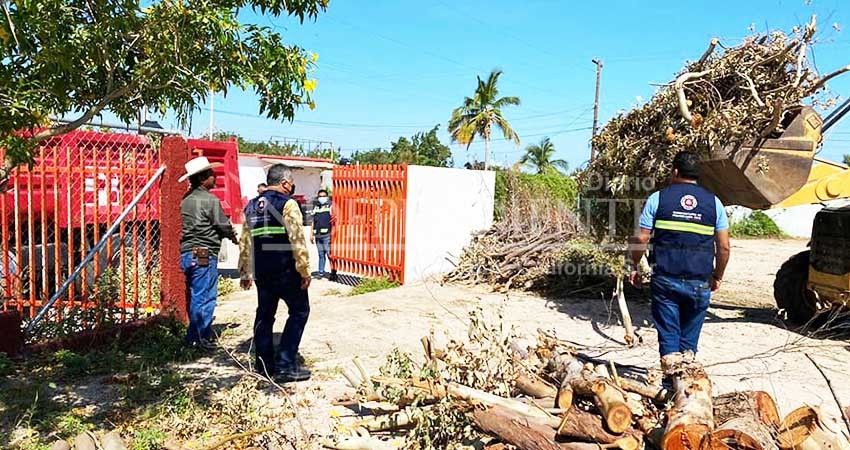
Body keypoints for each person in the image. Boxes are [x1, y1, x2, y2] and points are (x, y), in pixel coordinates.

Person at [629, 151, 731, 373]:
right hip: (700, 282)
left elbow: (641, 238)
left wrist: (635, 266)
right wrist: (717, 276)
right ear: (698, 175)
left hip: (666, 279)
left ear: (675, 171)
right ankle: (685, 388)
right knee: (688, 345)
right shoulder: (715, 204)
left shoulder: (658, 198)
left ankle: (670, 386)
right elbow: (723, 247)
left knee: (669, 337)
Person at [239, 164, 312, 382]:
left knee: (264, 315)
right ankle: (285, 365)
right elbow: (297, 239)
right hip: (286, 271)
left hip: (263, 273)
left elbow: (245, 242)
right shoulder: (288, 204)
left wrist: (245, 272)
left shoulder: (251, 206)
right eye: (290, 183)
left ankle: (263, 366)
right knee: (299, 312)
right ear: (285, 183)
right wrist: (304, 269)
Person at [179, 156, 237, 348]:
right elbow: (223, 225)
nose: (215, 177)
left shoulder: (186, 200)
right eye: (211, 174)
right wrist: (235, 238)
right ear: (203, 178)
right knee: (204, 297)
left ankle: (196, 336)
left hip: (187, 252)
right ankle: (197, 339)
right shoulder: (210, 200)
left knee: (196, 294)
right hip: (204, 252)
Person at [311, 189, 332, 279]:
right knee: (320, 254)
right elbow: (313, 221)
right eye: (320, 196)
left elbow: (334, 220)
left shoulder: (330, 206)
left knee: (329, 254)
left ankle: (333, 272)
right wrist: (311, 234)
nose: (322, 198)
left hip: (327, 234)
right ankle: (320, 272)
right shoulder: (316, 207)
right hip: (318, 235)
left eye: (324, 196)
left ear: (327, 197)